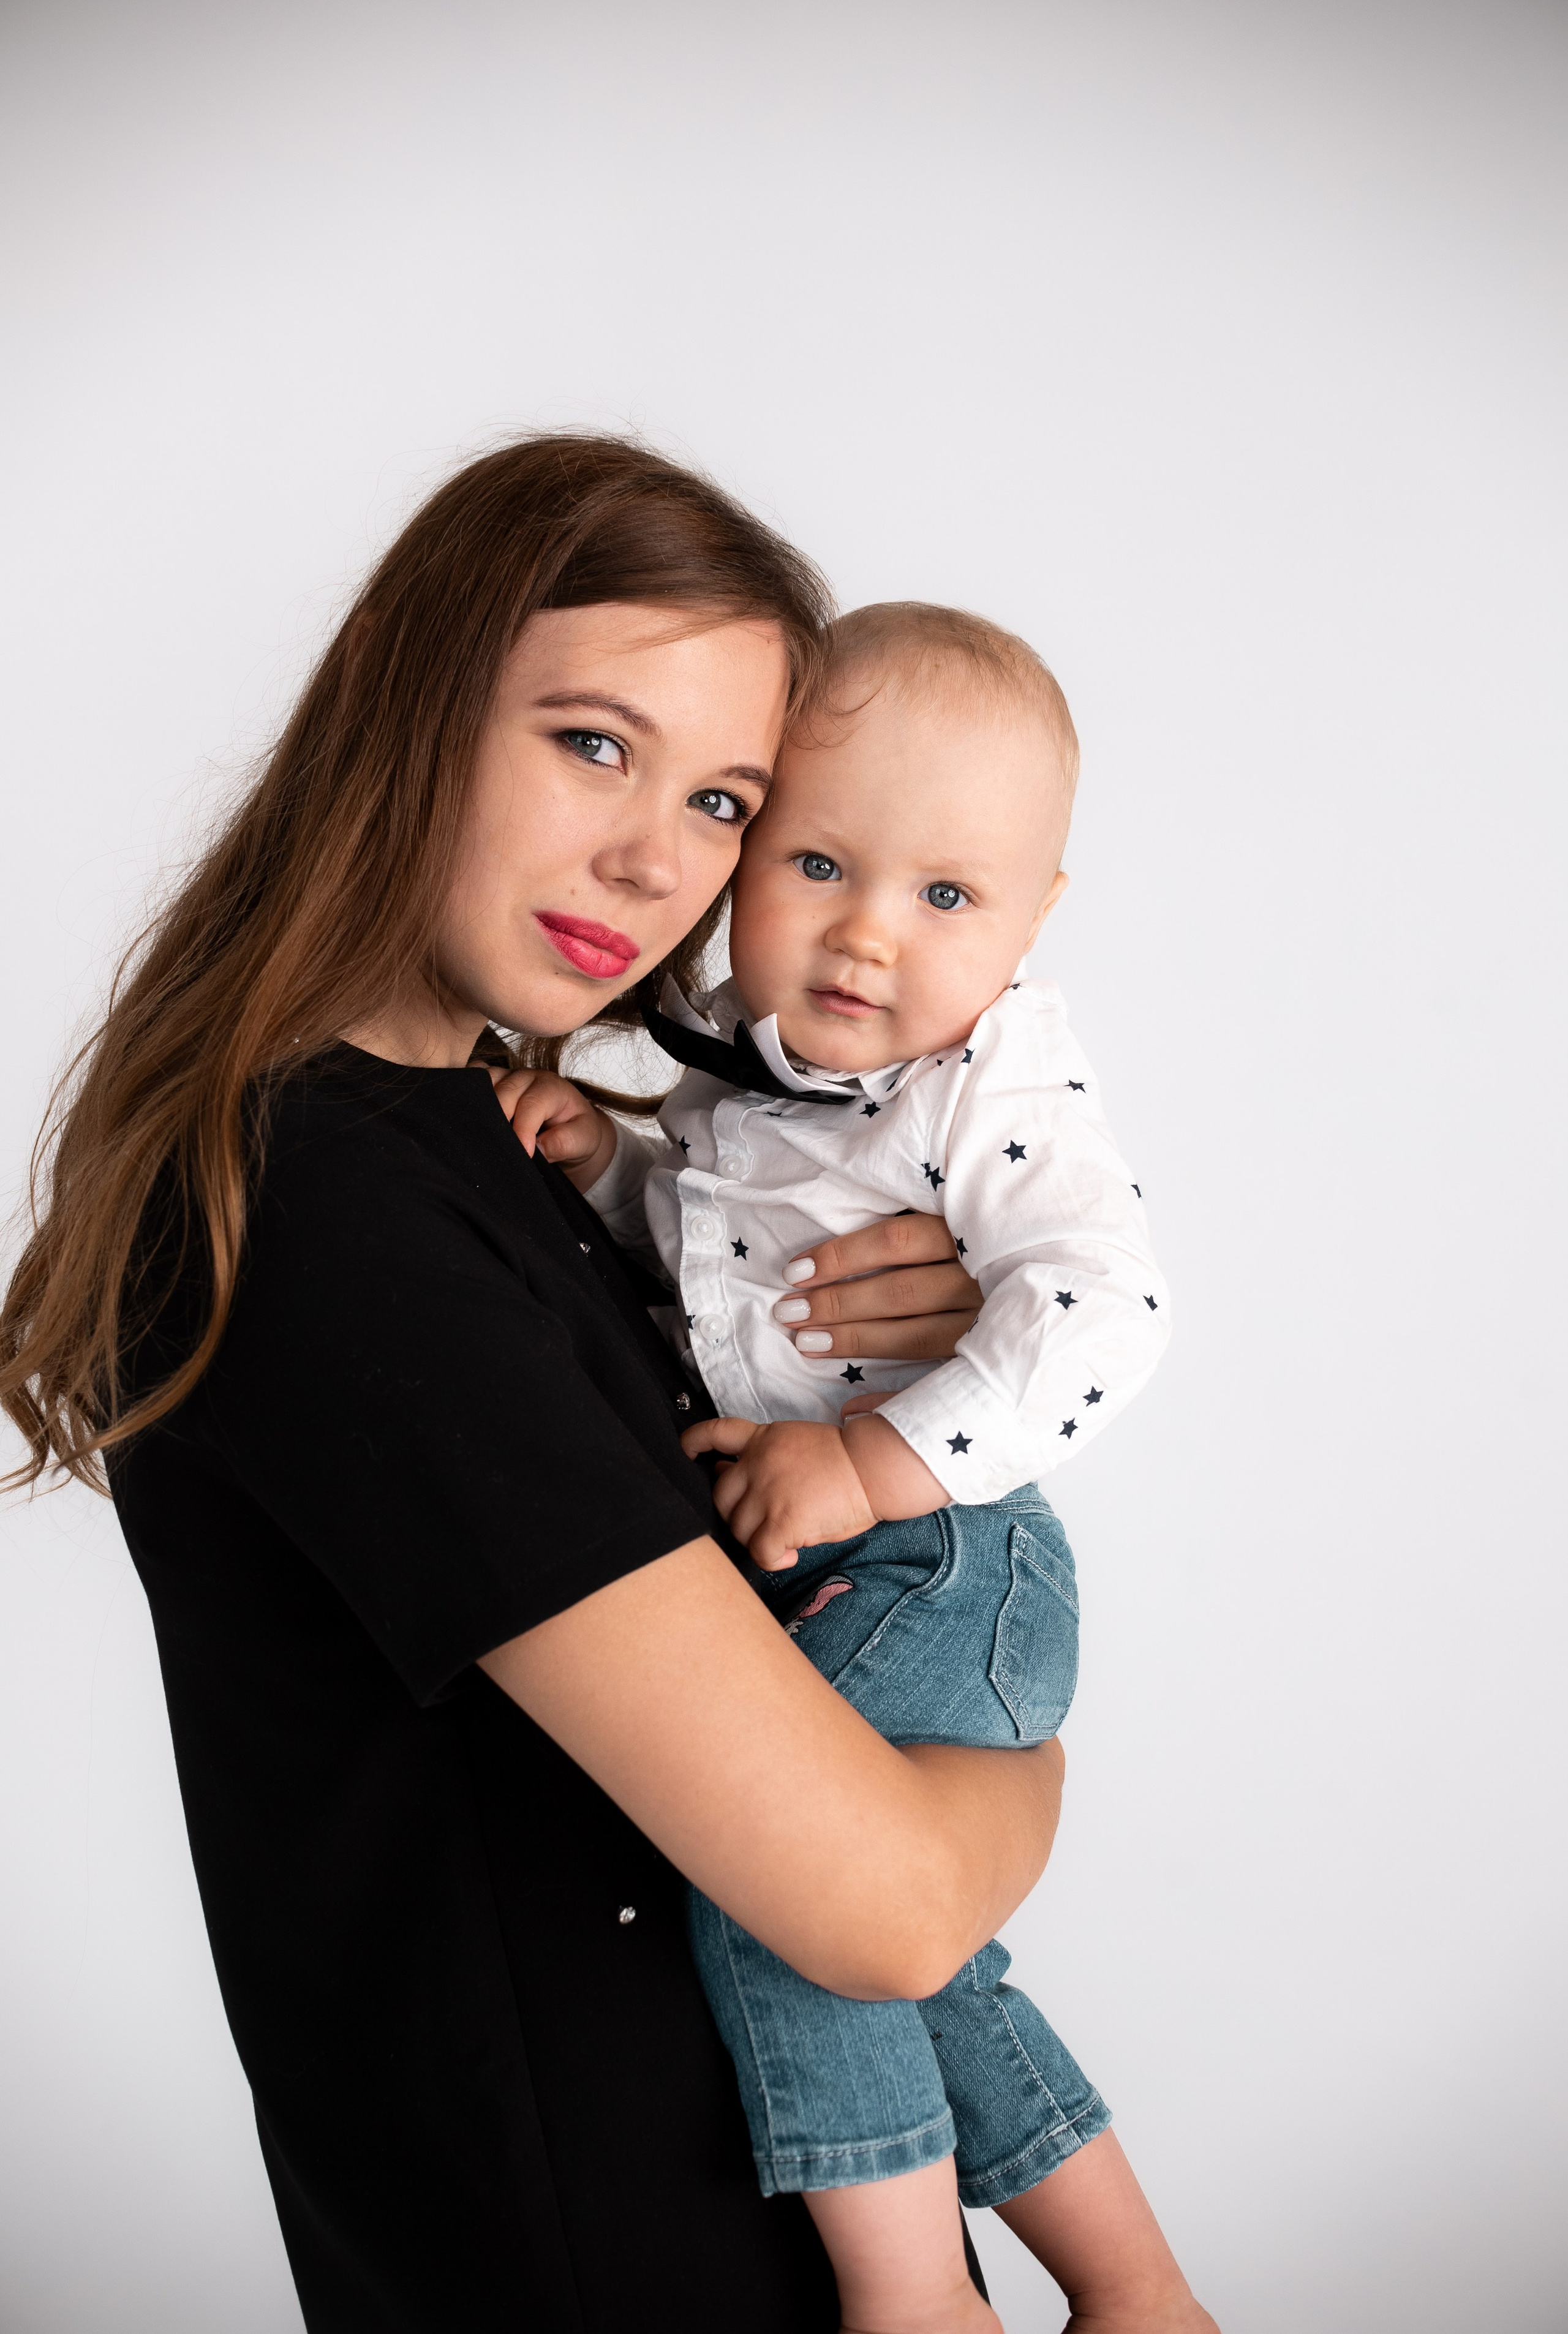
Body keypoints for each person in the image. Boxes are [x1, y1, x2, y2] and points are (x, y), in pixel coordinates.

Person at [0, 440, 1070, 2332]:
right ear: (405, 689)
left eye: (725, 799)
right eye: (593, 743)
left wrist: (883, 1366)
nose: (659, 860)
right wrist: (1019, 1749)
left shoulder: (494, 1140)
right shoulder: (324, 1205)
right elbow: (893, 1905)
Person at [492, 602, 1219, 2333]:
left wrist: (874, 1461)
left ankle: (910, 2300)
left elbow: (1109, 1308)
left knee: (783, 1879)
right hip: (866, 1556)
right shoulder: (751, 1073)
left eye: (947, 895)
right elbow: (726, 1283)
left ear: (1034, 918)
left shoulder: (990, 1079)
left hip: (950, 1556)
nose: (868, 933)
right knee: (919, 1945)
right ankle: (1138, 2288)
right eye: (817, 863)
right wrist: (607, 1173)